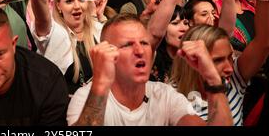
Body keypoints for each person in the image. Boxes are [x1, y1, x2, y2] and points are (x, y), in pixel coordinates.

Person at [67, 13, 233, 126]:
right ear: (108, 54)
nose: (140, 51)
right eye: (127, 45)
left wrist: (212, 80)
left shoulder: (164, 95)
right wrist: (101, 83)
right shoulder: (86, 97)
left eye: (145, 43)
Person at [170, 0, 269, 125]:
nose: (230, 68)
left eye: (230, 58)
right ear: (191, 60)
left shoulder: (233, 80)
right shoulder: (171, 96)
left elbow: (264, 42)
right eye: (216, 60)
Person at [29, 0, 105, 95]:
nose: (77, 6)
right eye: (69, 1)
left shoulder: (98, 29)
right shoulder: (55, 34)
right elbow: (42, 19)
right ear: (58, 6)